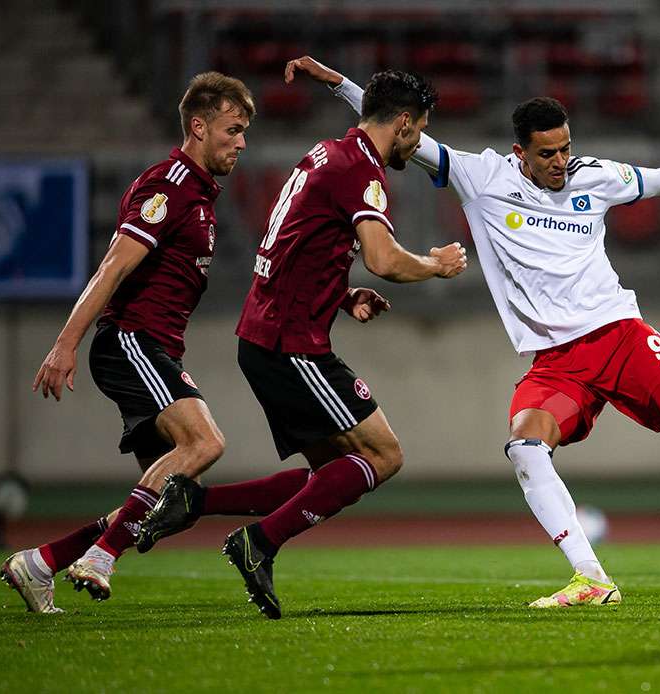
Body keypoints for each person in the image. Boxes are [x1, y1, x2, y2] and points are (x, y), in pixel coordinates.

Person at [290, 55, 660, 609]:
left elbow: (654, 180)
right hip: (556, 360)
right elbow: (395, 123)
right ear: (520, 154)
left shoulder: (593, 177)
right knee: (526, 445)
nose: (561, 161)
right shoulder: (481, 177)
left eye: (565, 147)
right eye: (547, 153)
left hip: (618, 333)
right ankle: (591, 578)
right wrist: (339, 83)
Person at [138, 70, 466, 619]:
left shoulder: (326, 154)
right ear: (404, 123)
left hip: (266, 334)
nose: (416, 145)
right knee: (383, 456)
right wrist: (436, 264)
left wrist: (339, 294)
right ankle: (258, 543)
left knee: (329, 474)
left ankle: (196, 502)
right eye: (419, 131)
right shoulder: (362, 171)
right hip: (293, 344)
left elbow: (294, 243)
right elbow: (384, 259)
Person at [0, 73, 255, 611]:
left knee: (169, 501)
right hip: (130, 341)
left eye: (245, 132)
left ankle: (40, 563)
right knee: (205, 443)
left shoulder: (200, 194)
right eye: (232, 130)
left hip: (154, 347)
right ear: (198, 125)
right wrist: (64, 344)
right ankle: (100, 556)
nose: (241, 142)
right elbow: (111, 269)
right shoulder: (170, 185)